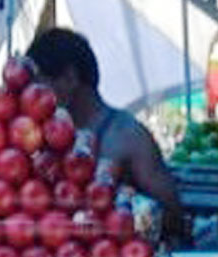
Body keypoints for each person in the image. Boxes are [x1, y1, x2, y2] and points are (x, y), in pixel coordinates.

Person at [27, 28, 182, 233]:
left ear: (70, 78)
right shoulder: (41, 138)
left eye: (40, 87)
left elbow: (172, 213)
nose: (31, 97)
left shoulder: (127, 136)